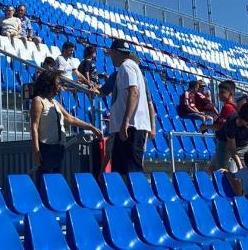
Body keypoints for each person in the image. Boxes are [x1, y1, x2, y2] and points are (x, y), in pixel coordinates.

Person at [29, 69, 103, 185]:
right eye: (58, 83)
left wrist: (91, 127)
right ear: (50, 83)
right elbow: (34, 126)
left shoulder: (55, 103)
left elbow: (70, 118)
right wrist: (36, 151)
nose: (60, 86)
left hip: (59, 148)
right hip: (46, 148)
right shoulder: (38, 100)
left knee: (55, 182)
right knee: (45, 182)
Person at [100, 39, 154, 176]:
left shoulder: (126, 66)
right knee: (121, 171)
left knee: (131, 172)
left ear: (116, 52)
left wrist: (126, 121)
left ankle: (135, 197)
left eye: (112, 53)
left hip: (131, 127)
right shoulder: (132, 66)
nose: (111, 57)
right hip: (127, 127)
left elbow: (133, 91)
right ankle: (126, 197)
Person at [210, 102, 248, 173]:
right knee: (223, 170)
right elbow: (232, 149)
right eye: (247, 120)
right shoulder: (232, 121)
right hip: (225, 143)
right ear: (241, 117)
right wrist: (240, 167)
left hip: (244, 144)